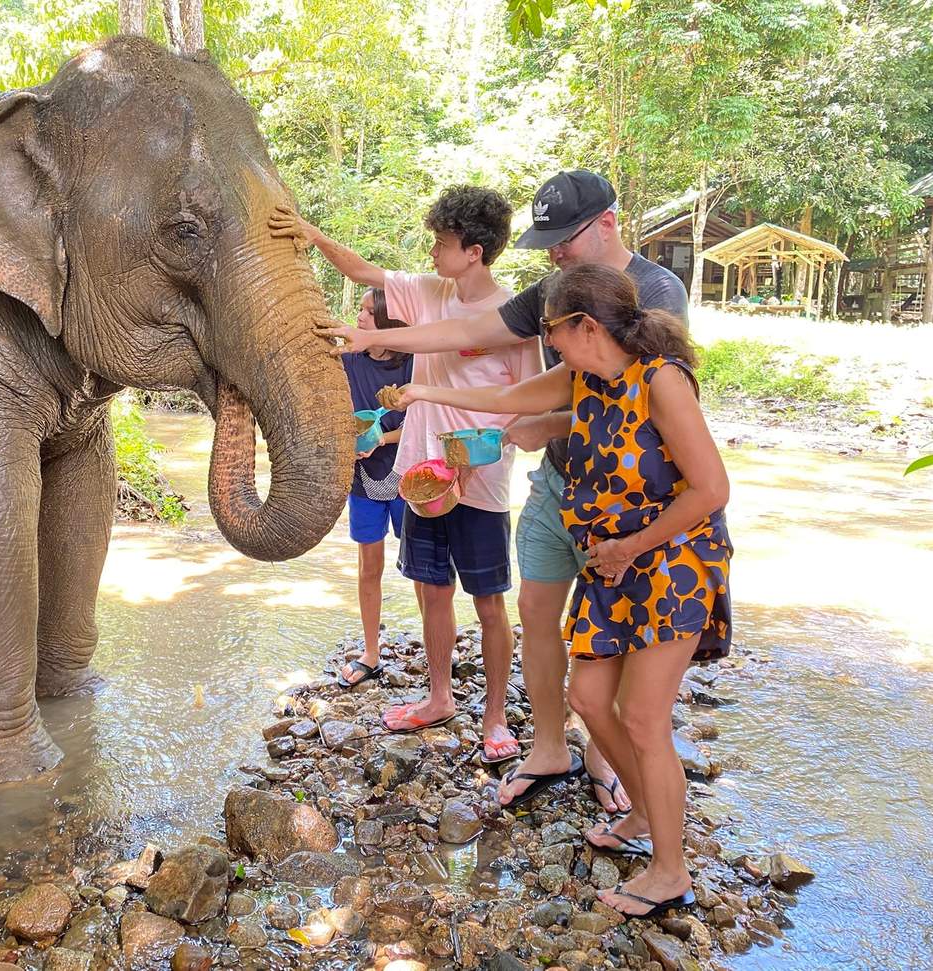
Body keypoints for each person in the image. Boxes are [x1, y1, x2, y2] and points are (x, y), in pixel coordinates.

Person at [317, 171, 689, 814]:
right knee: (542, 622)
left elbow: (639, 417)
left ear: (606, 222)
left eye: (563, 240)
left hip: (633, 508)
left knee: (621, 658)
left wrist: (529, 433)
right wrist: (390, 354)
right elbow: (493, 362)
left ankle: (618, 775)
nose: (553, 254)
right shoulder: (552, 293)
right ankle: (550, 747)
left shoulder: (657, 302)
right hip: (557, 489)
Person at [386, 262, 732, 919]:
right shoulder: (585, 377)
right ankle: (644, 822)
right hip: (611, 564)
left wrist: (630, 546)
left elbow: (711, 489)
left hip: (670, 563)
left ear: (586, 326)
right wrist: (423, 393)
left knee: (641, 716)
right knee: (589, 698)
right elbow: (510, 401)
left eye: (554, 332)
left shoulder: (660, 381)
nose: (549, 343)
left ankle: (669, 869)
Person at [270, 186, 540, 762]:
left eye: (442, 243)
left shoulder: (513, 313)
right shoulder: (429, 292)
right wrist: (311, 234)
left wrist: (482, 453)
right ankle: (438, 696)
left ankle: (495, 719)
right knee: (431, 591)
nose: (434, 252)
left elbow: (527, 401)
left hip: (481, 481)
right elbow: (364, 269)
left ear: (474, 250)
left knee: (490, 602)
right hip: (421, 475)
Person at [337, 288, 414, 687]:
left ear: (389, 322)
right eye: (362, 310)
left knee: (422, 566)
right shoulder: (348, 360)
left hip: (407, 475)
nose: (360, 317)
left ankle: (439, 646)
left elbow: (422, 422)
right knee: (370, 566)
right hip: (362, 477)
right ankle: (371, 653)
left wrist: (380, 440)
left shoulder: (414, 364)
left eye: (369, 312)